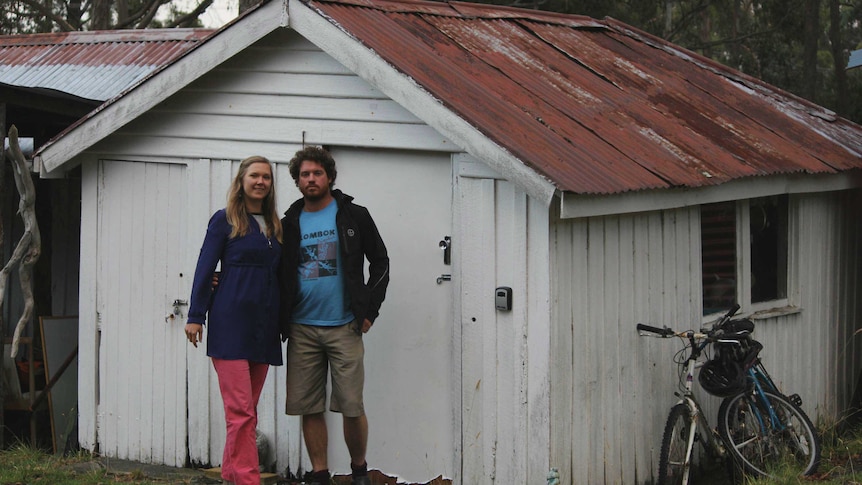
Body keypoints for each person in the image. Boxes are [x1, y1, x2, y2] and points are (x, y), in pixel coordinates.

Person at [280, 146, 389, 485]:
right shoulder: (288, 223)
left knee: (351, 406)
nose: (310, 179)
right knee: (308, 405)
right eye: (304, 175)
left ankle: (359, 471)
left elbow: (381, 263)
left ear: (329, 176)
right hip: (302, 328)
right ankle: (319, 474)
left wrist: (369, 310)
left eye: (317, 173)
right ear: (297, 181)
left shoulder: (354, 216)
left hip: (345, 326)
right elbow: (270, 270)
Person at [185, 155, 283, 485]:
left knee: (246, 412)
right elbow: (204, 265)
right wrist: (196, 315)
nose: (260, 181)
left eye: (266, 177)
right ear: (241, 181)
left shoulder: (275, 224)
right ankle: (248, 480)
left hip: (264, 327)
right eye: (254, 175)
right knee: (241, 412)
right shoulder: (224, 220)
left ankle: (230, 474)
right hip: (230, 323)